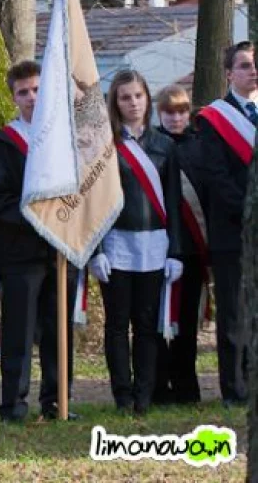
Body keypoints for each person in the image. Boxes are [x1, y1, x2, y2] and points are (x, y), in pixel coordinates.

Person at [0, 61, 77, 423]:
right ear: (13, 97)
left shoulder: (64, 139)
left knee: (58, 333)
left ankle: (57, 402)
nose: (32, 97)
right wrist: (40, 219)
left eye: (37, 89)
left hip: (61, 250)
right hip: (21, 252)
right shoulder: (2, 145)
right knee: (19, 335)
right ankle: (14, 406)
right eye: (23, 92)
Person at [88, 70, 182, 415]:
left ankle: (144, 395)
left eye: (138, 96)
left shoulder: (165, 146)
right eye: (125, 97)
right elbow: (96, 203)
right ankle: (122, 395)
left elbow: (172, 202)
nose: (133, 103)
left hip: (154, 245)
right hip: (115, 245)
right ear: (116, 102)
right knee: (116, 325)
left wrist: (176, 251)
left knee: (146, 325)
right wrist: (95, 251)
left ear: (147, 99)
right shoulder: (105, 146)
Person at [197, 41, 256, 406]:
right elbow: (216, 177)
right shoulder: (213, 119)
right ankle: (234, 389)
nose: (253, 71)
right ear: (229, 73)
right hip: (232, 231)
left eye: (255, 65)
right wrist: (250, 212)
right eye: (245, 65)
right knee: (234, 314)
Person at [153, 85, 207, 405]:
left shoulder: (200, 147)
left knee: (187, 323)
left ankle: (186, 387)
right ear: (159, 113)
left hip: (193, 248)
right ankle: (159, 387)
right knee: (160, 322)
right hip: (159, 247)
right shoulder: (152, 147)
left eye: (182, 111)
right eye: (169, 112)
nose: (176, 118)